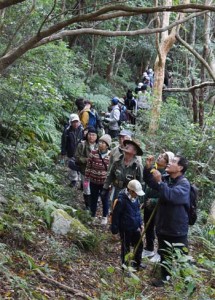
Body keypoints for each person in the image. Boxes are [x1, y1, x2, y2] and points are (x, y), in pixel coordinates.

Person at [144, 155, 190, 287]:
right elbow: (150, 182)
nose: (169, 163)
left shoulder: (184, 184)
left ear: (180, 168)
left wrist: (160, 182)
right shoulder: (167, 179)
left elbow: (170, 196)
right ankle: (165, 278)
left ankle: (188, 284)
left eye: (173, 161)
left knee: (182, 258)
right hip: (163, 226)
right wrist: (148, 169)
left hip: (177, 229)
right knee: (164, 254)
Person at [142, 151, 175, 261]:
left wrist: (155, 201)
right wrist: (147, 167)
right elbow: (148, 183)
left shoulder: (167, 176)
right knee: (148, 225)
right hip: (148, 204)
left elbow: (166, 193)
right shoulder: (154, 169)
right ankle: (149, 248)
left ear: (167, 163)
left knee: (159, 229)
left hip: (159, 207)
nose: (159, 157)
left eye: (163, 157)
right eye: (160, 155)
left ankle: (160, 252)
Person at [110, 180, 145, 271]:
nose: (137, 195)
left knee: (139, 245)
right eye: (136, 193)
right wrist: (114, 230)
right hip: (125, 228)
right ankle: (125, 266)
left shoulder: (136, 199)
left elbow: (138, 212)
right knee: (126, 248)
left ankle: (137, 263)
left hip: (135, 227)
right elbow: (116, 216)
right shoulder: (122, 200)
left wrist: (140, 223)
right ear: (131, 191)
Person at [84, 134, 112, 225]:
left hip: (105, 183)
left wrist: (110, 183)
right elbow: (88, 166)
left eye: (103, 143)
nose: (101, 144)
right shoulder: (93, 153)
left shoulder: (111, 155)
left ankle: (104, 217)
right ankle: (92, 216)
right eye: (100, 142)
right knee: (93, 199)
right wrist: (86, 179)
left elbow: (112, 170)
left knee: (105, 200)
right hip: (93, 181)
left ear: (107, 145)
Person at [75, 126, 98, 210]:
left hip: (97, 173)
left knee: (94, 189)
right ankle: (88, 206)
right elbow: (77, 157)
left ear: (96, 136)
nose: (91, 136)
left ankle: (93, 204)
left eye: (93, 135)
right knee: (86, 188)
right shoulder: (82, 144)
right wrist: (86, 160)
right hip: (85, 171)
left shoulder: (100, 146)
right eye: (90, 134)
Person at [61, 114, 83, 187]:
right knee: (72, 166)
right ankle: (74, 180)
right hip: (71, 151)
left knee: (79, 166)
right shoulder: (67, 131)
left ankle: (80, 181)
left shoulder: (82, 130)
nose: (75, 124)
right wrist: (63, 151)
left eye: (77, 122)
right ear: (71, 122)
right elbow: (64, 141)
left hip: (80, 152)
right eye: (74, 122)